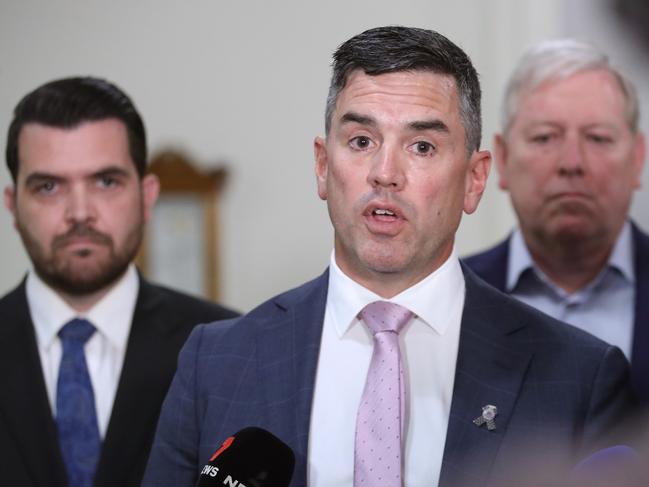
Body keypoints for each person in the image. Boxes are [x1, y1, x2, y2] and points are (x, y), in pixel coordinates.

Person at [143, 27, 633, 487]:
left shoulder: (579, 376)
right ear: (322, 165)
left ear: (475, 178)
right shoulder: (216, 360)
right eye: (361, 141)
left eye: (421, 146)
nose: (385, 173)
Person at [0, 77, 239, 487]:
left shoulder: (232, 349)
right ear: (13, 206)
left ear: (147, 197)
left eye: (106, 182)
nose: (79, 213)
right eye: (49, 186)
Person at [463, 39, 649, 403]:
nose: (571, 162)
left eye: (598, 138)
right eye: (545, 137)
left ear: (637, 158)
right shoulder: (451, 298)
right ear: (501, 157)